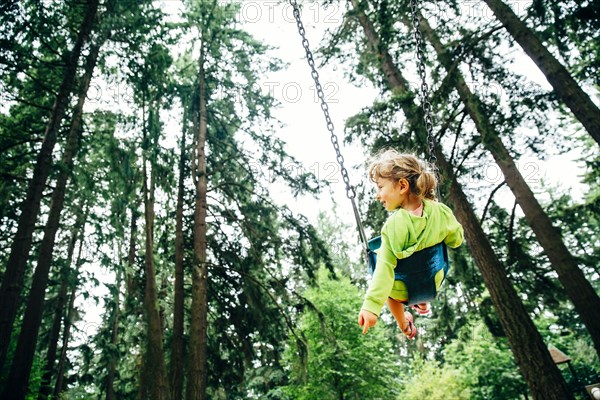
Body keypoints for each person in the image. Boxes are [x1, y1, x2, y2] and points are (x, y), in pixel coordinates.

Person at [357, 149, 464, 339]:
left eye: (380, 187)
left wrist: (371, 307)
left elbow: (384, 270)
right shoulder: (441, 211)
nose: (377, 195)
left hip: (401, 290)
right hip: (433, 280)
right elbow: (456, 240)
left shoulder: (393, 226)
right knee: (420, 267)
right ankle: (421, 300)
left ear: (402, 186)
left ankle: (404, 324)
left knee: (389, 287)